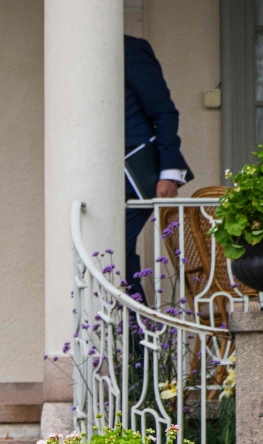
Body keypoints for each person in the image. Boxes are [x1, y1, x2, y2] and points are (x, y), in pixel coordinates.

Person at [124, 35, 193, 302]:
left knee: (113, 247)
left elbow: (163, 111)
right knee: (119, 253)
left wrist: (169, 171)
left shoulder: (130, 48)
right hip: (98, 174)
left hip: (136, 173)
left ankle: (137, 337)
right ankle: (137, 338)